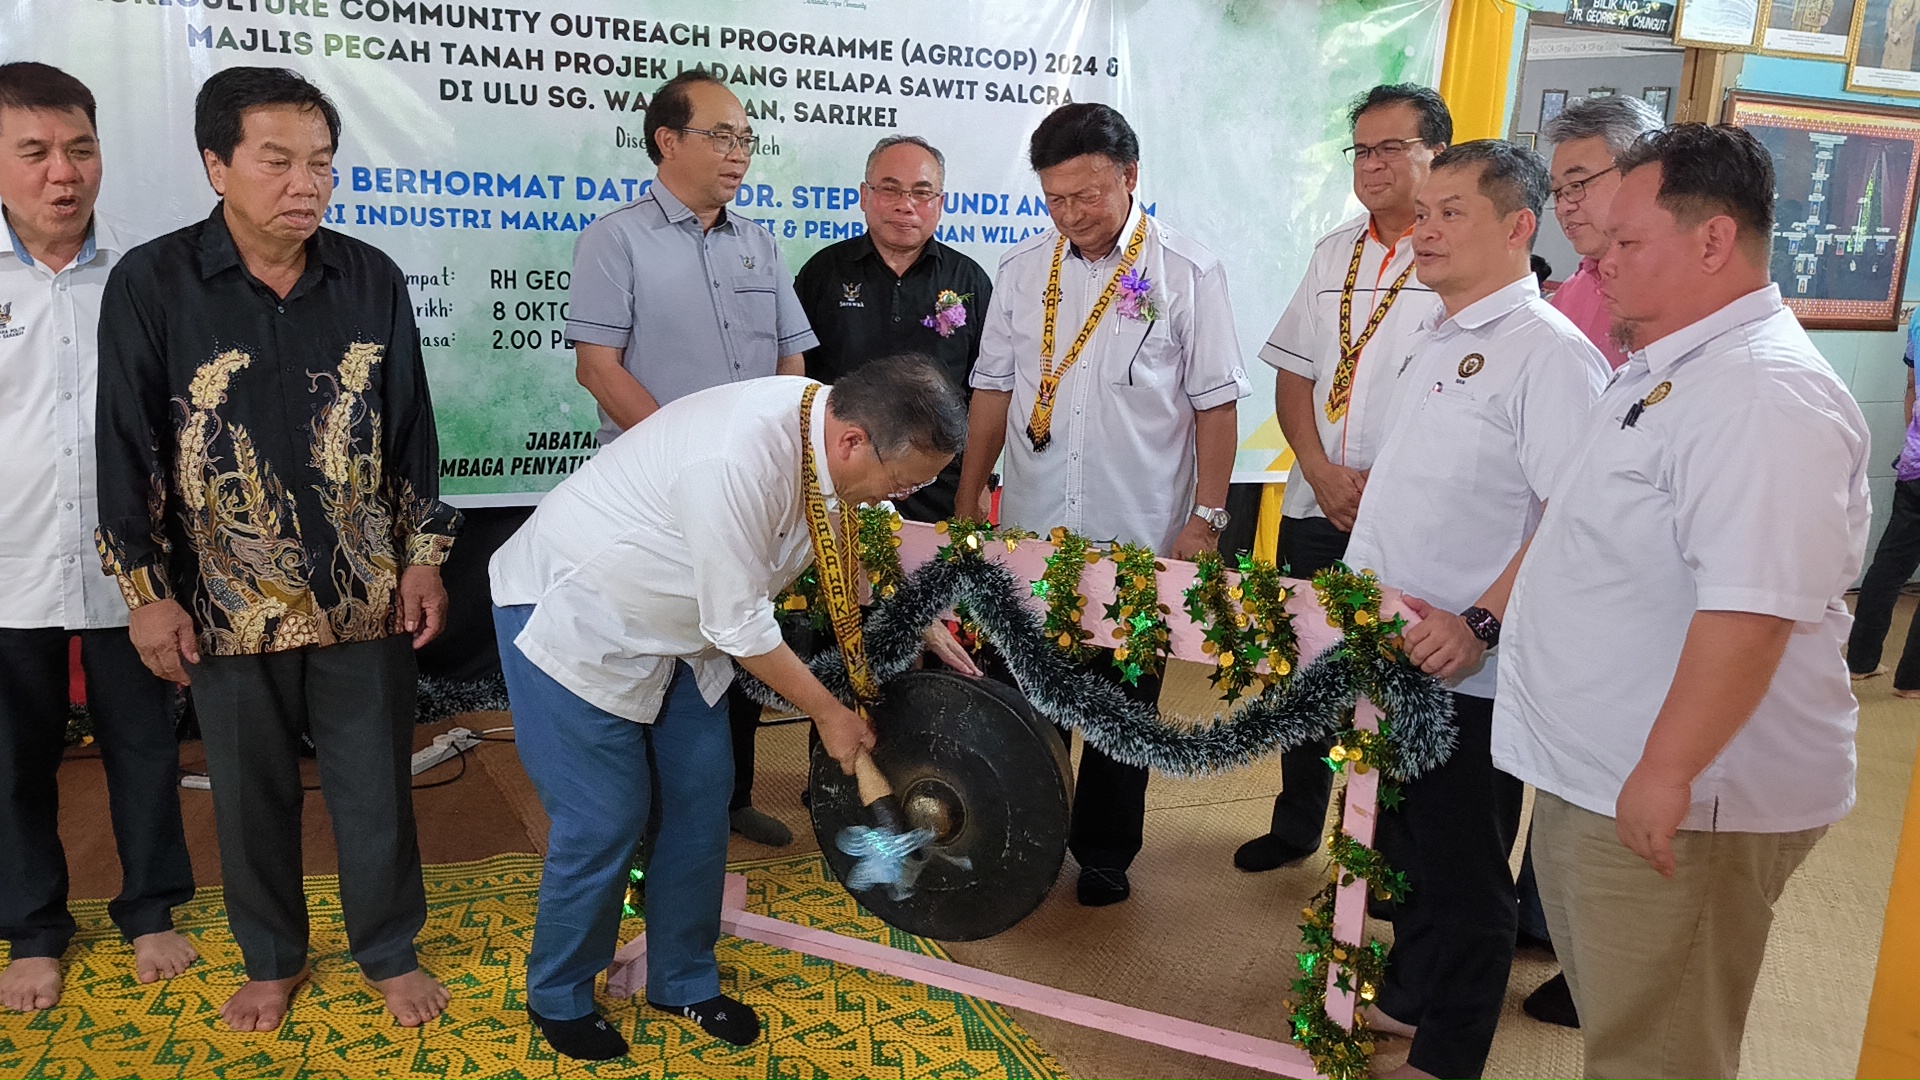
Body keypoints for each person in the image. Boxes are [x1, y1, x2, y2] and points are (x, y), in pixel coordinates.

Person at [1491, 124, 1868, 1080]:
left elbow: (1753, 611)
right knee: (1629, 1030)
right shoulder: (1673, 367)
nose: (1598, 262)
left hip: (1688, 804)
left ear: (1712, 242)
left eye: (1625, 244)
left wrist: (1666, 773)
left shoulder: (1760, 397)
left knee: (1659, 1054)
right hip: (1608, 775)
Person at [93, 67, 460, 1032]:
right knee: (250, 796)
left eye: (323, 164)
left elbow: (411, 426)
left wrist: (422, 555)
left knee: (375, 783)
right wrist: (143, 589)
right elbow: (125, 441)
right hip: (224, 595)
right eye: (278, 161)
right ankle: (273, 957)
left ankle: (387, 946)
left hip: (361, 591)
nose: (307, 183)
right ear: (217, 165)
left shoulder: (368, 275)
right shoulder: (154, 282)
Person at [490, 356, 975, 1060]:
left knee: (698, 799)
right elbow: (741, 627)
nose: (901, 495)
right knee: (605, 816)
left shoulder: (831, 426)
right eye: (904, 482)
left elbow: (858, 532)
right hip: (578, 613)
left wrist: (911, 607)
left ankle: (683, 977)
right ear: (852, 442)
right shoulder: (735, 458)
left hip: (685, 631)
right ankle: (559, 993)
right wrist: (830, 714)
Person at [1342, 141, 1607, 1080]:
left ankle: (1449, 1058)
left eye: (1452, 212)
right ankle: (1413, 1004)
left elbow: (1571, 516)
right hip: (1391, 647)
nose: (1426, 230)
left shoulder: (1552, 357)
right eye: (1424, 212)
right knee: (1404, 845)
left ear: (1518, 227)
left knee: (1465, 873)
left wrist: (1480, 622)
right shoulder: (1438, 331)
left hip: (1469, 666)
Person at [957, 103, 1250, 907]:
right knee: (1026, 692)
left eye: (1088, 195)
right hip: (1032, 535)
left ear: (1130, 177)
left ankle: (1106, 853)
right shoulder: (1022, 272)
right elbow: (990, 391)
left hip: (1138, 532)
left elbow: (1215, 405)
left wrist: (1209, 515)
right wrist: (967, 497)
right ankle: (1028, 833)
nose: (1072, 215)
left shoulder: (1186, 270)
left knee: (1124, 706)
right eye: (1055, 199)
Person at [565, 69, 817, 849]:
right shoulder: (617, 238)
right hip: (655, 497)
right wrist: (683, 455)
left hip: (749, 491)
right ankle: (636, 837)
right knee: (656, 663)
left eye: (746, 138)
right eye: (721, 136)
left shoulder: (760, 244)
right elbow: (598, 368)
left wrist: (772, 454)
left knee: (738, 635)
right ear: (667, 141)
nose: (738, 153)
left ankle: (729, 798)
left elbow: (792, 360)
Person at [0, 61, 197, 1014]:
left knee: (145, 747)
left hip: (136, 568)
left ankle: (152, 910)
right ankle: (34, 930)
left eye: (79, 149)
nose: (61, 174)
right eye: (33, 152)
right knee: (12, 760)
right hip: (5, 564)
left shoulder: (149, 271)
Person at [1237, 84, 1451, 873]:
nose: (1372, 164)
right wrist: (1320, 472)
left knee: (1401, 683)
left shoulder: (1458, 260)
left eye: (1392, 148)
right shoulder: (1334, 252)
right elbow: (1292, 376)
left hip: (1410, 518)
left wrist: (1381, 490)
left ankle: (1386, 856)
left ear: (1438, 154)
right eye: (1362, 149)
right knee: (1306, 669)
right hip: (1317, 502)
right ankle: (1296, 826)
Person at [1516, 91, 1667, 1030]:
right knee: (1558, 773)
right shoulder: (1574, 286)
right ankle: (1547, 923)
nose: (1569, 206)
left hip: (1631, 588)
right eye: (1559, 187)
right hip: (1559, 569)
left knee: (1615, 775)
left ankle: (1591, 961)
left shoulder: (1662, 298)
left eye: (1583, 184)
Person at [794, 135, 993, 523]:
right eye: (890, 190)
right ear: (865, 196)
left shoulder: (969, 280)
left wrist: (979, 481)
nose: (906, 205)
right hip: (841, 480)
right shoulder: (824, 272)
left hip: (939, 487)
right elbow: (799, 380)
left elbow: (985, 392)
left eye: (922, 193)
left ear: (941, 204)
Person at [1543, 96, 1665, 370]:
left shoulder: (1675, 289)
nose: (1563, 207)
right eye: (1557, 192)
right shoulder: (1570, 294)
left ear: (1639, 173)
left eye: (1576, 184)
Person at [1845, 313, 1920, 695]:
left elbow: (1912, 387)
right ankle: (1913, 682)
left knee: (1889, 567)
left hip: (1915, 464)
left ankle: (1860, 662)